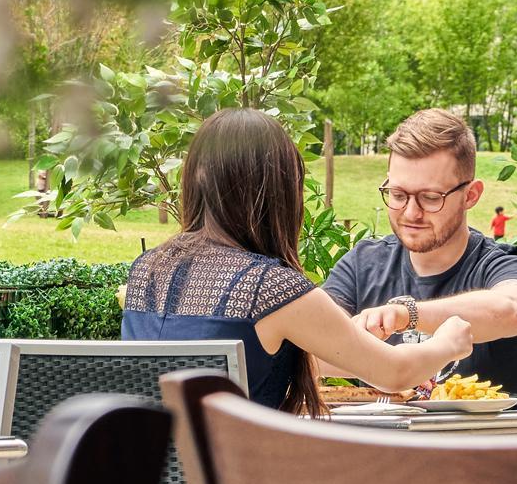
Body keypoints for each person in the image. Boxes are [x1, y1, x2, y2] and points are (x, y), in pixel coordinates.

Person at [120, 108, 472, 414]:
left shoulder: (147, 271)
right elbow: (394, 373)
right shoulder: (269, 288)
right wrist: (446, 343)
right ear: (279, 191)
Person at [323, 109, 517, 397]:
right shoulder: (362, 264)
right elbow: (309, 351)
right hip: (381, 440)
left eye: (430, 198)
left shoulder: (503, 264)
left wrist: (407, 315)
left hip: (485, 440)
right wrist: (391, 366)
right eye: (398, 195)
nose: (411, 213)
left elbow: (512, 310)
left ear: (471, 195)